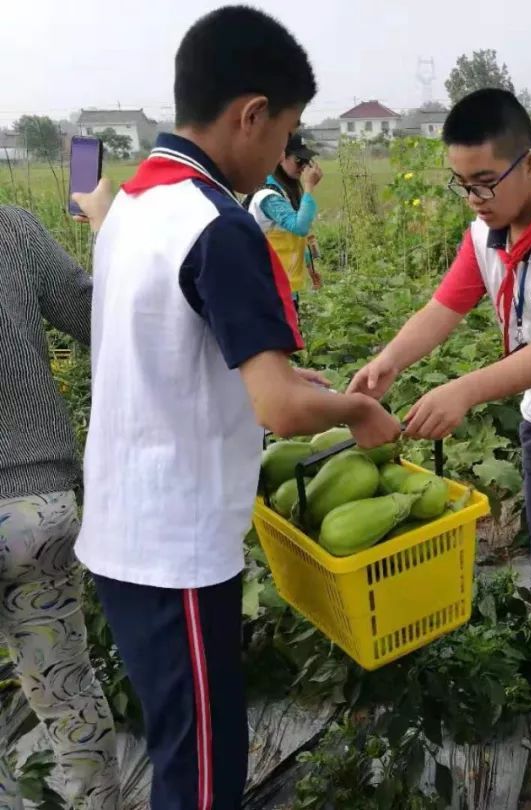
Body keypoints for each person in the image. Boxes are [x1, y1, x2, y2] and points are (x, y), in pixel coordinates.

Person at [73, 8, 401, 809]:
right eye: (286, 130)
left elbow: (181, 349)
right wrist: (356, 416)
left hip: (122, 535)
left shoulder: (129, 211)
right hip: (176, 549)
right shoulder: (218, 225)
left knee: (178, 744)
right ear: (252, 114)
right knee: (205, 774)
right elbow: (283, 411)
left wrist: (297, 376)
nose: (282, 153)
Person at [347, 88, 531, 749]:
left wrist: (464, 391)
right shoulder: (487, 234)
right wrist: (389, 360)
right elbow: (444, 306)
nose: (475, 197)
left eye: (486, 181)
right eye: (462, 184)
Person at [0, 182, 118, 810]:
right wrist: (108, 229)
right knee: (66, 688)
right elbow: (96, 314)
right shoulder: (12, 229)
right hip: (37, 508)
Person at [247, 132, 323, 325]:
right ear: (280, 159)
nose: (304, 167)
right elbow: (299, 227)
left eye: (307, 162)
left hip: (284, 284)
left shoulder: (284, 192)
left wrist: (309, 267)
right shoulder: (268, 196)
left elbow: (292, 238)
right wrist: (308, 187)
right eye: (299, 161)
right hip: (268, 287)